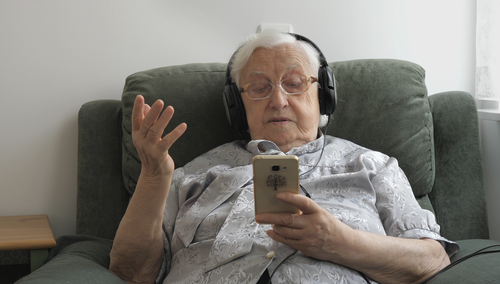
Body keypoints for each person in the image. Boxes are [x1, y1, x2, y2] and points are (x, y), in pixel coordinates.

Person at [109, 31, 458, 284]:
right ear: (237, 106)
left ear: (323, 95)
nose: (278, 101)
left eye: (294, 84)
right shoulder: (190, 175)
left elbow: (432, 261)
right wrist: (154, 177)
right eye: (259, 88)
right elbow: (131, 273)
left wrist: (339, 242)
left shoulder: (374, 167)